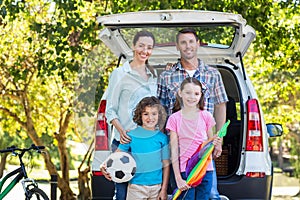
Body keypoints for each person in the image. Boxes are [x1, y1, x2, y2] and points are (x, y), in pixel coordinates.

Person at [157, 28, 228, 199]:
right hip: (178, 149)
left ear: (197, 44)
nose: (187, 46)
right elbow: (160, 110)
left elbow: (220, 106)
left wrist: (218, 141)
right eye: (183, 42)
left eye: (191, 42)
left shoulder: (212, 74)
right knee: (183, 192)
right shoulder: (166, 76)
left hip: (204, 148)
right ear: (177, 46)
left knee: (209, 194)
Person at [103, 30, 157, 200]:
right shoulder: (119, 74)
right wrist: (121, 131)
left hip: (146, 144)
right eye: (141, 45)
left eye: (149, 47)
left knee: (146, 191)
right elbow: (110, 109)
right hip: (124, 142)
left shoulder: (153, 76)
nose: (144, 50)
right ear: (133, 46)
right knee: (122, 192)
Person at [103, 96, 170, 200]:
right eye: (146, 114)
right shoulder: (131, 135)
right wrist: (104, 165)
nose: (150, 118)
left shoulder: (162, 138)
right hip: (136, 187)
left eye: (154, 114)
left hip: (157, 187)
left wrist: (164, 189)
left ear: (159, 115)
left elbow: (166, 165)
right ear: (140, 115)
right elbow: (117, 154)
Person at [166, 77, 222, 199]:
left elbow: (210, 144)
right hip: (186, 171)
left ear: (201, 95)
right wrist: (178, 179)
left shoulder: (207, 116)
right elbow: (174, 151)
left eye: (196, 93)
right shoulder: (174, 119)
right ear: (180, 93)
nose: (192, 97)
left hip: (206, 170)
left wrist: (216, 142)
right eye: (188, 93)